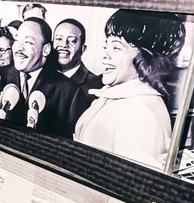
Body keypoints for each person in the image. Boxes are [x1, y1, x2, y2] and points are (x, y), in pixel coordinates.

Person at [73, 9, 186, 168]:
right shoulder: (116, 96)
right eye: (107, 46)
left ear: (144, 58)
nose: (105, 55)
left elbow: (129, 183)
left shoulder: (139, 112)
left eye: (116, 48)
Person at [2, 17, 88, 137]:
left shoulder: (69, 92)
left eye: (28, 42)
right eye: (16, 40)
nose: (19, 48)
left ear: (46, 49)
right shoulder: (0, 75)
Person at [53, 18, 101, 89]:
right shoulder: (42, 77)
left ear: (83, 49)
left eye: (72, 41)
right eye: (59, 39)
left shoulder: (95, 85)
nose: (64, 45)